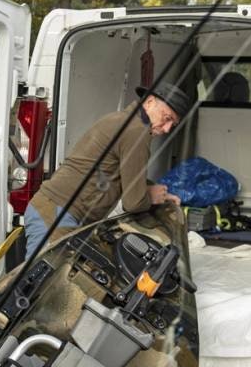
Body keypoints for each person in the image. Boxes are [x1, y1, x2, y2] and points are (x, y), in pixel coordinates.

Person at [24, 82, 192, 260]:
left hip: (55, 210)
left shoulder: (124, 121)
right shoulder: (136, 132)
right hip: (55, 215)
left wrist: (160, 194)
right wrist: (150, 196)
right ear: (149, 102)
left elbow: (125, 174)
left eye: (172, 124)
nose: (166, 129)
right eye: (166, 118)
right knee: (44, 283)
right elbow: (133, 203)